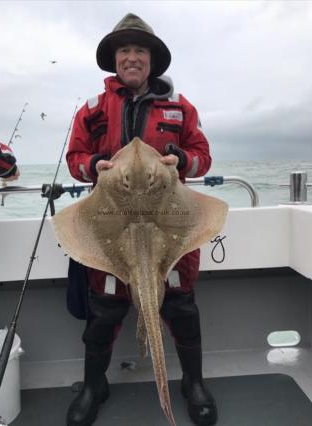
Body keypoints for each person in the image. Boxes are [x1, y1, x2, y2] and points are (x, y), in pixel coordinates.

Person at [66, 13, 217, 426]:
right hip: (113, 226)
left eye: (140, 51)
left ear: (152, 61)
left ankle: (193, 383)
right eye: (124, 51)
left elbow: (203, 156)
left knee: (181, 306)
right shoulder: (93, 110)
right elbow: (74, 159)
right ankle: (94, 385)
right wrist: (94, 165)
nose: (131, 57)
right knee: (104, 310)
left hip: (168, 224)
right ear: (115, 60)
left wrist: (183, 159)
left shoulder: (180, 107)